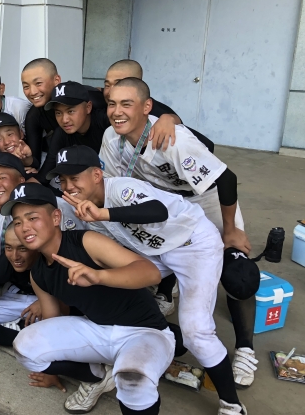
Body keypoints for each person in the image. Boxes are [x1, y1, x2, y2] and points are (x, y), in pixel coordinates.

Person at [51, 145, 251, 414]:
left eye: (74, 178)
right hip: (155, 252)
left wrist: (104, 213)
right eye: (63, 180)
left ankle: (232, 404)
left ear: (97, 175)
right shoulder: (83, 209)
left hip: (193, 244)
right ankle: (119, 363)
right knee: (108, 286)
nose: (68, 186)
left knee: (196, 331)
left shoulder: (120, 189)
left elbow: (157, 211)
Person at [100, 77, 259, 396]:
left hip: (206, 199)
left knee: (237, 274)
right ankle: (167, 294)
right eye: (112, 103)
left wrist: (231, 229)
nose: (117, 111)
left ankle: (244, 347)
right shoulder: (111, 137)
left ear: (147, 107)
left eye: (126, 103)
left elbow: (226, 179)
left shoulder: (172, 138)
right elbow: (114, 184)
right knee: (158, 248)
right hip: (168, 203)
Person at [5, 182, 174, 415]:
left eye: (32, 218)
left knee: (132, 382)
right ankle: (96, 375)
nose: (25, 227)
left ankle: (127, 369)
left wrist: (99, 276)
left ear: (56, 217)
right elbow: (52, 322)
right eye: (17, 222)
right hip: (98, 330)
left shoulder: (86, 241)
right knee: (25, 347)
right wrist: (51, 371)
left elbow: (150, 272)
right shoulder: (38, 273)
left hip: (144, 331)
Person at [35, 81, 180, 186]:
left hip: (145, 181)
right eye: (58, 113)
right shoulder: (61, 133)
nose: (64, 119)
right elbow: (47, 170)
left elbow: (143, 117)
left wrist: (169, 118)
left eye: (71, 111)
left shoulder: (108, 120)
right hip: (107, 185)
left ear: (88, 107)